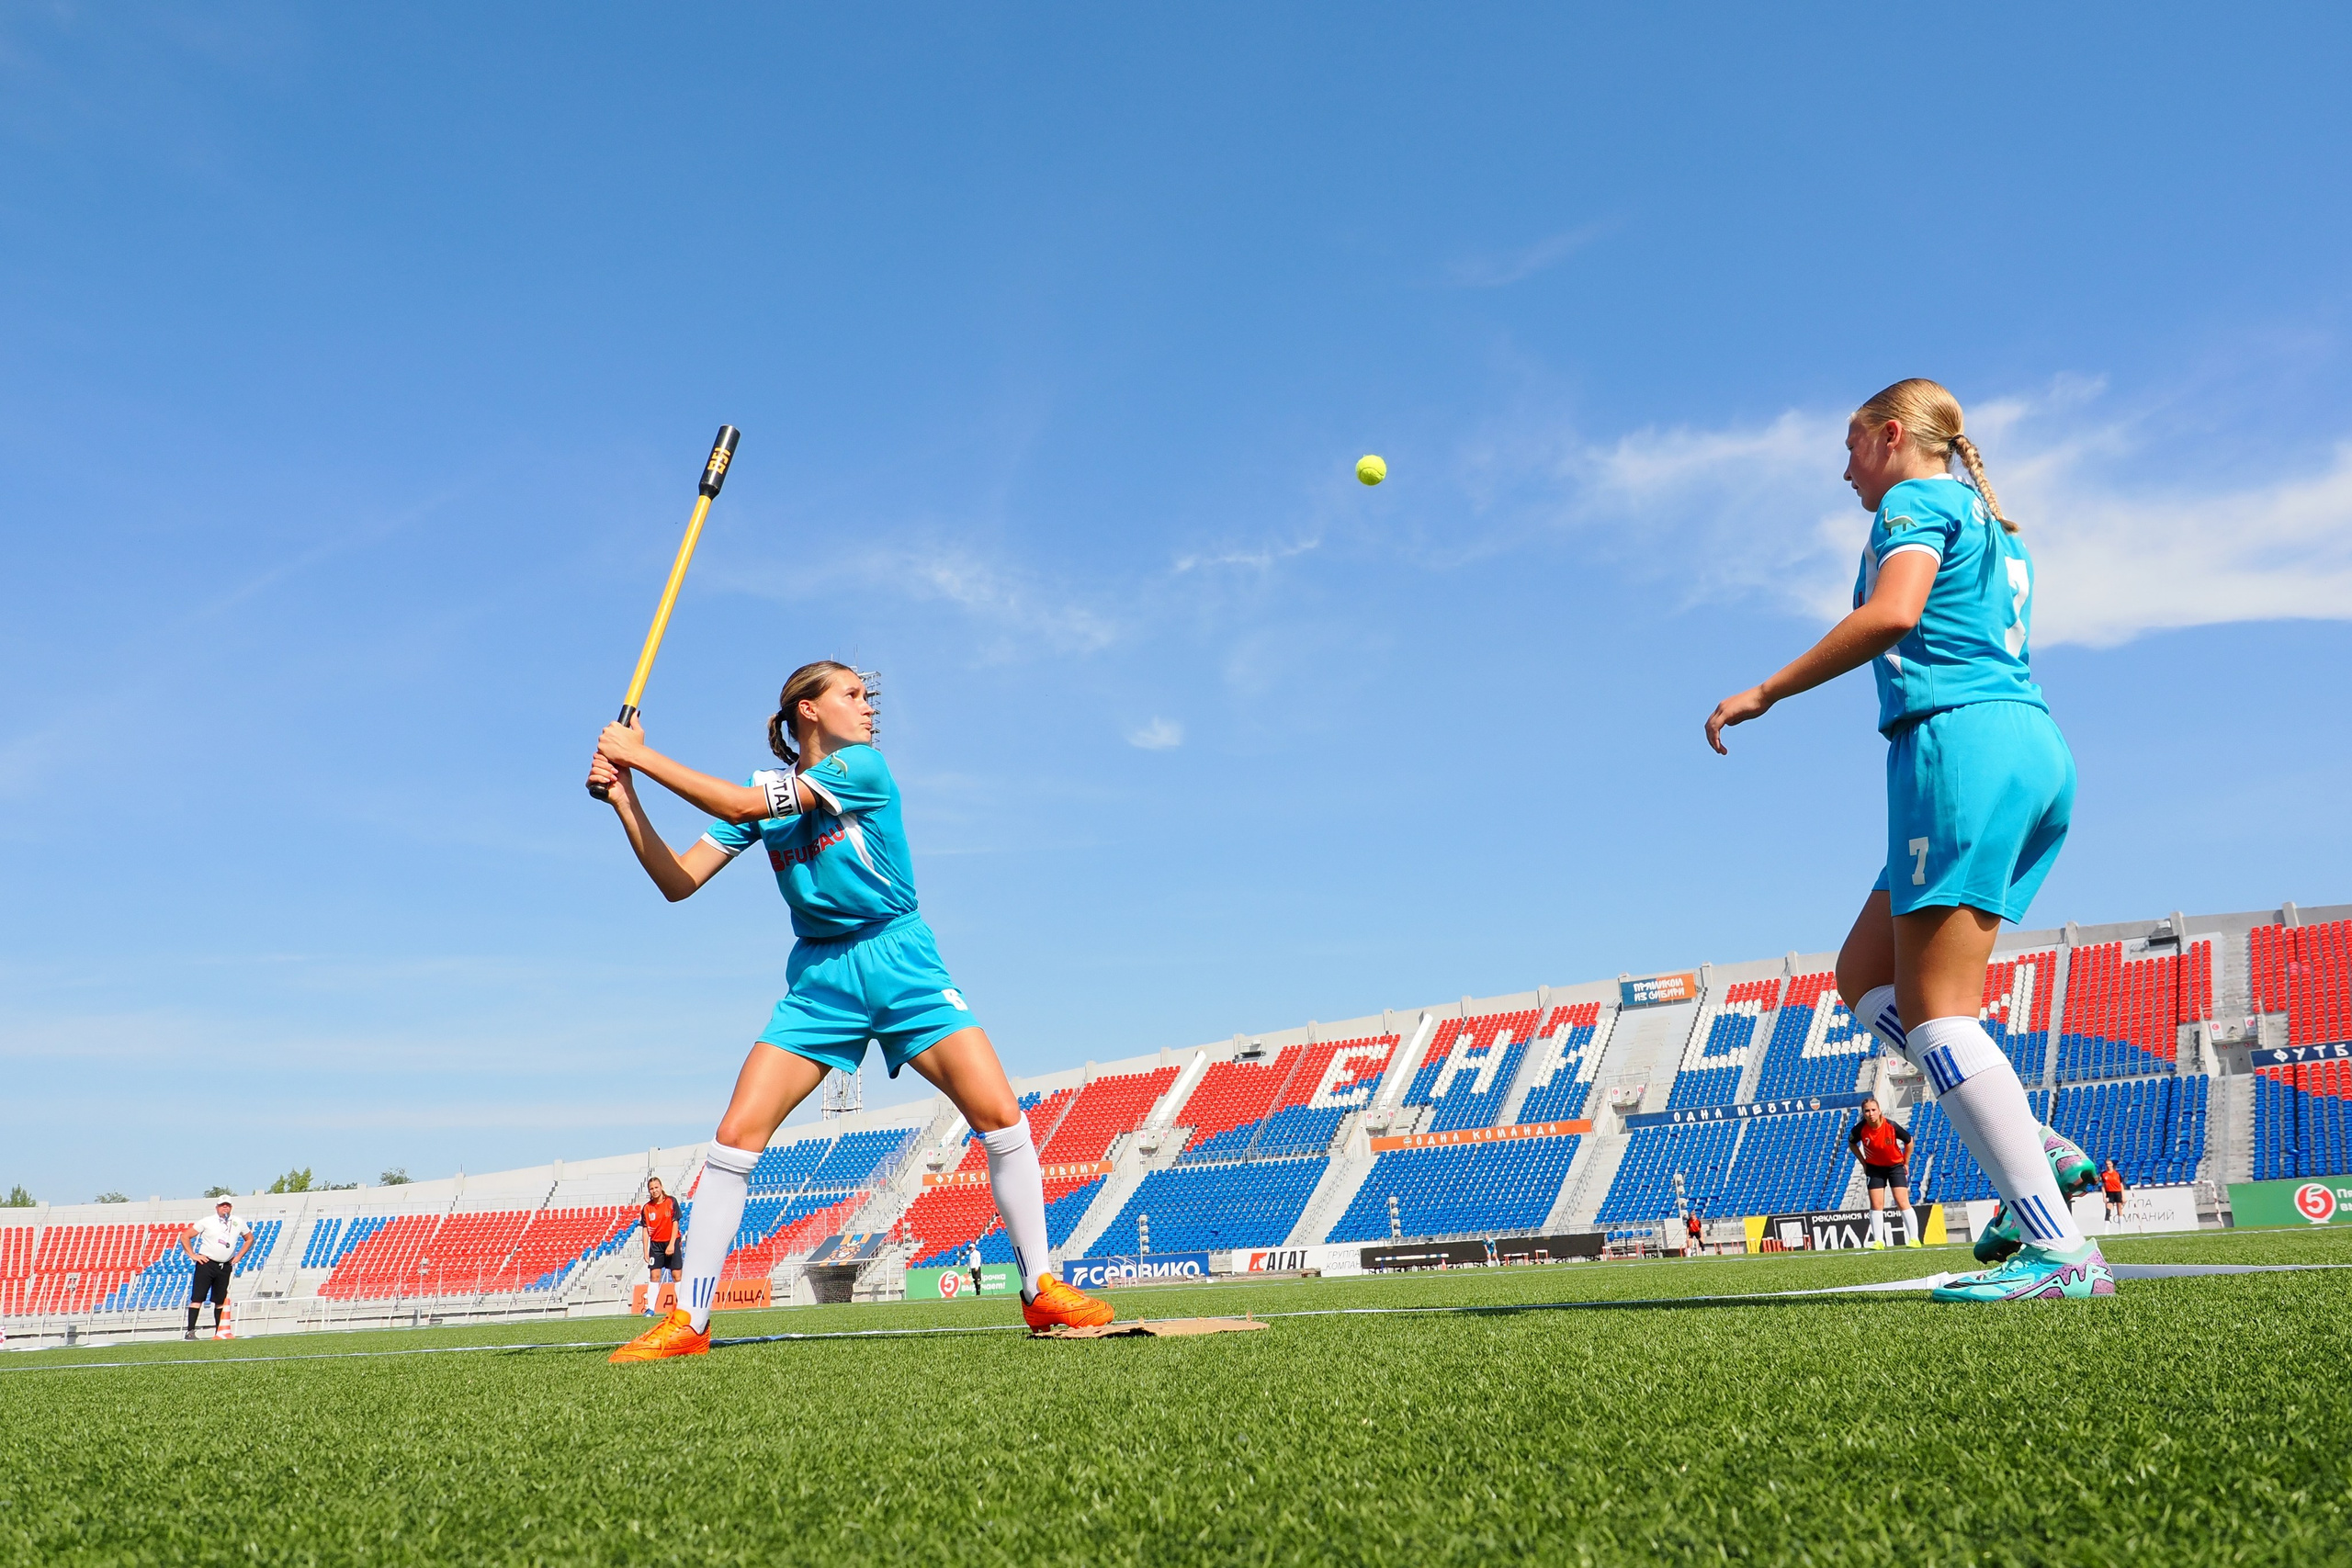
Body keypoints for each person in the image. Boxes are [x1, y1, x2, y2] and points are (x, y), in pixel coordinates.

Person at [1706, 378, 2114, 1303]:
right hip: (2023, 747)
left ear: (1891, 437)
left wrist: (1764, 691)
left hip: (1958, 747)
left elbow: (1892, 613)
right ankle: (2032, 1147)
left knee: (1938, 1017)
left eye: (1851, 447)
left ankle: (2059, 1255)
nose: (1844, 470)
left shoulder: (1913, 498)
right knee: (1861, 974)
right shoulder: (1991, 522)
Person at [591, 660, 1114, 1361]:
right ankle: (688, 1321)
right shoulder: (763, 793)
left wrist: (639, 755)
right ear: (808, 710)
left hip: (901, 960)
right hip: (821, 978)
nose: (869, 707)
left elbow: (747, 808)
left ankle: (1041, 1288)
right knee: (735, 1134)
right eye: (853, 694)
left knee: (998, 1114)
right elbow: (677, 881)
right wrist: (627, 798)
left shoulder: (861, 768)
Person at [1846, 1098, 1917, 1248]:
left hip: (1895, 1166)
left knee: (1901, 1201)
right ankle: (1879, 1240)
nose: (1870, 1113)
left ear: (1879, 1111)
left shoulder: (1891, 1126)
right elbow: (1852, 1143)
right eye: (1867, 1111)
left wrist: (1906, 1162)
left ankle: (1914, 1239)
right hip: (1874, 1168)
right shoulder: (1860, 1129)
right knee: (1876, 1204)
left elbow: (1909, 1141)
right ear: (1863, 1113)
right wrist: (1863, 1162)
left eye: (1873, 1110)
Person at [184, 1197, 253, 1339]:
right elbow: (185, 1236)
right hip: (207, 1263)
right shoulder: (207, 1221)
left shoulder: (238, 1222)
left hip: (225, 1265)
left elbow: (249, 1238)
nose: (225, 1208)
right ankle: (190, 1331)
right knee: (198, 1297)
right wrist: (193, 1255)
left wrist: (239, 1256)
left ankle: (219, 1331)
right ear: (217, 1207)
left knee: (220, 1300)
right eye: (222, 1205)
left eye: (227, 1205)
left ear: (231, 1207)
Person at [639, 1177, 684, 1316]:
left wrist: (671, 1244)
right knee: (654, 1275)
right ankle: (651, 1309)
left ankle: (683, 1307)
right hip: (656, 1245)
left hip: (672, 1241)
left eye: (656, 1187)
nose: (654, 1190)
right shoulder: (647, 1208)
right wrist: (645, 1250)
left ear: (661, 1186)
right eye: (651, 1188)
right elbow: (645, 1229)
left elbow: (675, 1223)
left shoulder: (671, 1201)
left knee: (676, 1275)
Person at [2101, 1158, 2128, 1222]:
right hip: (2109, 1193)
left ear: (2112, 1164)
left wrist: (2123, 1196)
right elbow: (2103, 1186)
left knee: (2119, 1210)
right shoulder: (2103, 1174)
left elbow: (2121, 1185)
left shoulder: (2117, 1174)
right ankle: (2106, 1230)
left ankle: (2121, 1230)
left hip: (2117, 1192)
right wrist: (2104, 1196)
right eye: (2107, 1164)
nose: (2108, 1165)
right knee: (2108, 1210)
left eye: (2109, 1164)